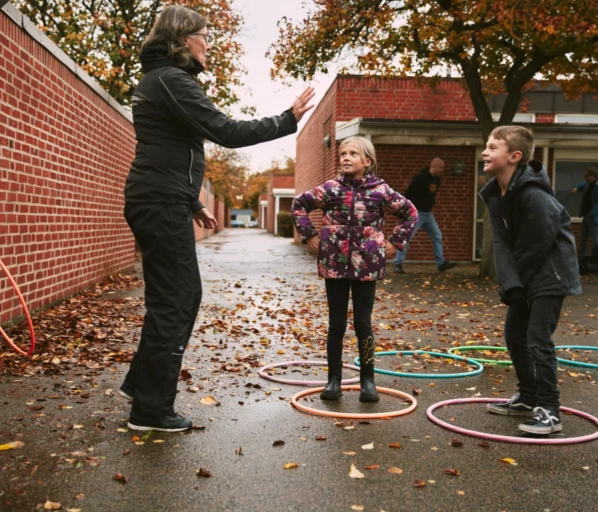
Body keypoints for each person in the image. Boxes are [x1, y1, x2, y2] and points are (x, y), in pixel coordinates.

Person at [120, 5, 315, 432]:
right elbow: (224, 130)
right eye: (204, 36)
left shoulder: (163, 80)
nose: (208, 44)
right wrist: (287, 120)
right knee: (174, 302)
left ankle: (141, 386)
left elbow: (167, 151)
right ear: (182, 39)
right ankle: (151, 410)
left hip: (164, 199)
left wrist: (193, 202)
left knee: (179, 299)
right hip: (159, 202)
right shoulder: (172, 80)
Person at [292, 136, 417, 402]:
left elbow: (410, 213)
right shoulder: (330, 189)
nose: (345, 157)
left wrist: (395, 242)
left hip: (367, 264)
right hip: (334, 263)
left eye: (353, 154)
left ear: (367, 161)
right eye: (343, 153)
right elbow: (299, 204)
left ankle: (368, 380)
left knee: (363, 324)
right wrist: (310, 235)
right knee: (336, 324)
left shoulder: (380, 191)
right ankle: (334, 379)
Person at [478, 126, 582, 435]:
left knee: (538, 338)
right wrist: (512, 285)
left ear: (514, 156)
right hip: (527, 273)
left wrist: (516, 281)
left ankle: (550, 411)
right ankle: (528, 396)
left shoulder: (534, 194)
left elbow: (537, 243)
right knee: (514, 335)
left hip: (551, 273)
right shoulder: (498, 193)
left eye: (492, 147)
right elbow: (503, 244)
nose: (485, 152)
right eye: (486, 146)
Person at [393, 158, 457, 274]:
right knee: (406, 237)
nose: (441, 171)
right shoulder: (420, 178)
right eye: (441, 168)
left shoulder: (437, 180)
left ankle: (441, 263)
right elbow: (408, 194)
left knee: (437, 235)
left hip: (428, 214)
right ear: (435, 166)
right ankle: (398, 263)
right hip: (416, 213)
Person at [570, 167, 598, 256]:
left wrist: (591, 213)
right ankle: (582, 259)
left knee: (595, 240)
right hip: (586, 216)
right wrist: (576, 187)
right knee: (583, 240)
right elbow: (581, 185)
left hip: (593, 217)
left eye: (586, 176)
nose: (585, 178)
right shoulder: (589, 184)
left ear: (593, 176)